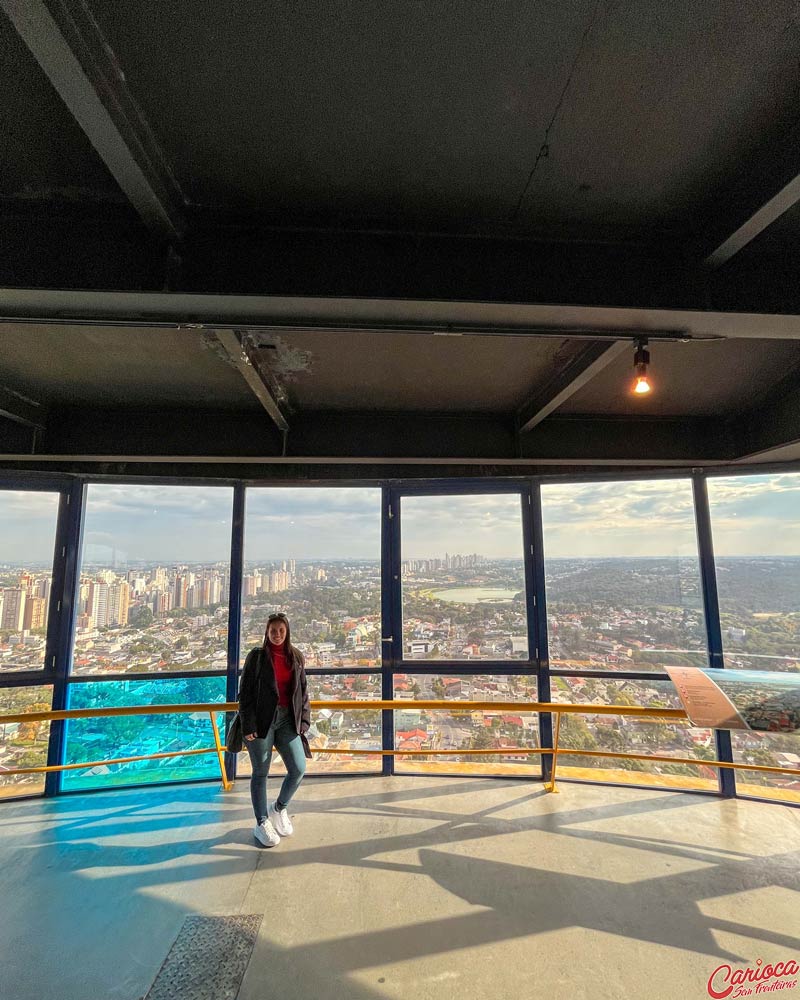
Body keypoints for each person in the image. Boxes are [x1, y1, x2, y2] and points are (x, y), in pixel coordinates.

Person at [238, 612, 312, 847]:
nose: (277, 635)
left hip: (287, 721)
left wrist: (304, 722)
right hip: (261, 721)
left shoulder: (296, 657)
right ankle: (261, 822)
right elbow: (245, 693)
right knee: (260, 772)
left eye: (281, 630)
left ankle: (279, 807)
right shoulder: (257, 657)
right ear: (266, 632)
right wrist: (248, 724)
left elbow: (303, 692)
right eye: (273, 631)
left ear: (287, 632)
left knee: (298, 768)